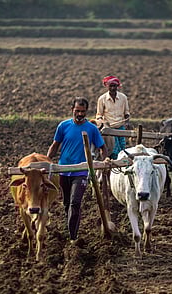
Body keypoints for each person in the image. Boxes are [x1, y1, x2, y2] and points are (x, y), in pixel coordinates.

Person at [47, 97, 107, 241]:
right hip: (64, 170)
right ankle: (69, 229)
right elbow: (55, 145)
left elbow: (102, 148)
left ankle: (73, 237)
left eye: (83, 111)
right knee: (67, 203)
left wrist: (104, 161)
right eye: (77, 111)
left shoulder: (91, 129)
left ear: (86, 112)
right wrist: (47, 161)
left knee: (75, 203)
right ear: (72, 110)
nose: (80, 114)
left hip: (81, 172)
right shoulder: (63, 126)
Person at [96, 75, 130, 159]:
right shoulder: (102, 99)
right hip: (109, 129)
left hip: (121, 127)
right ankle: (115, 168)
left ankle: (122, 167)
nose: (112, 88)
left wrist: (127, 122)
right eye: (110, 86)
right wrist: (102, 122)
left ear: (117, 86)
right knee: (114, 150)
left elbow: (126, 113)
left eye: (114, 86)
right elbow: (99, 115)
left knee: (122, 148)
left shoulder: (123, 97)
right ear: (107, 86)